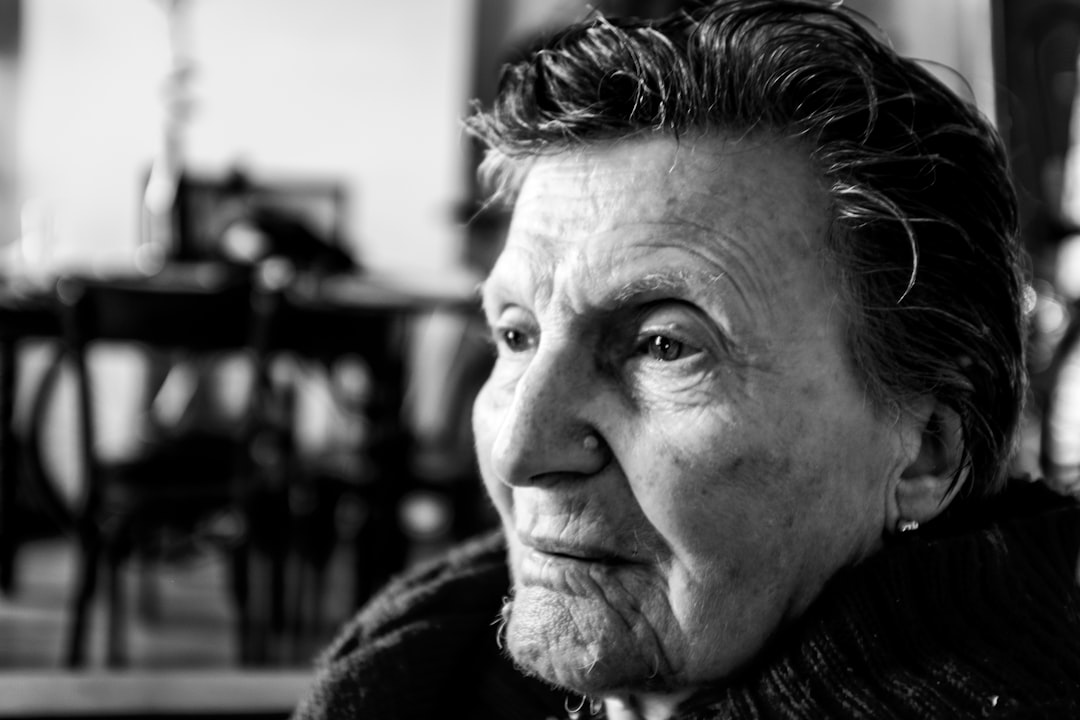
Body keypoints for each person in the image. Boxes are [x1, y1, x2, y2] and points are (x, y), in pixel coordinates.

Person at [292, 1, 1080, 717]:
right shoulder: (421, 669)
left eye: (665, 346)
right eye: (517, 335)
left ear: (929, 449)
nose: (518, 449)